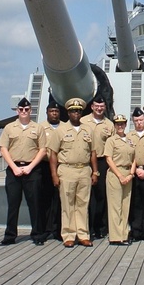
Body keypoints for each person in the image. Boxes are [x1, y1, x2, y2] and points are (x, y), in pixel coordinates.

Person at [0, 97, 47, 246]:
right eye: (21, 109)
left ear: (30, 111)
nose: (24, 112)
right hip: (14, 169)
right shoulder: (9, 128)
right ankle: (10, 235)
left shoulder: (38, 128)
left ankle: (37, 235)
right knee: (13, 204)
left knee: (35, 204)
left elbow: (43, 150)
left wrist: (30, 167)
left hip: (32, 169)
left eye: (26, 109)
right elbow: (3, 148)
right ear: (17, 111)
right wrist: (14, 167)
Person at [48, 97, 97, 247]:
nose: (76, 113)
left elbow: (93, 152)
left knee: (83, 204)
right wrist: (54, 175)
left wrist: (95, 172)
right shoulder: (61, 130)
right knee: (67, 204)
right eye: (73, 111)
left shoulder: (88, 129)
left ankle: (83, 234)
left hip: (84, 170)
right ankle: (68, 235)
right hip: (67, 170)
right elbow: (53, 154)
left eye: (78, 111)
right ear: (68, 113)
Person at [103, 114, 135, 245]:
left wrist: (131, 174)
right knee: (115, 206)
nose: (120, 126)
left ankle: (124, 233)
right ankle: (116, 237)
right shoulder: (111, 140)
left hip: (128, 173)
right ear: (114, 126)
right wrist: (120, 176)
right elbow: (108, 159)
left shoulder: (130, 140)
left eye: (122, 123)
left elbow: (134, 158)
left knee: (125, 205)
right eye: (117, 124)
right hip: (115, 174)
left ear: (126, 124)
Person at [86, 96, 114, 240]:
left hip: (103, 162)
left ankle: (101, 227)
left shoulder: (109, 124)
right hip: (86, 163)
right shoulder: (83, 121)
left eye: (101, 106)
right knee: (86, 197)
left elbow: (113, 145)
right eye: (96, 106)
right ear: (92, 106)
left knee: (101, 196)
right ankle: (87, 227)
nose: (99, 108)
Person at [37, 100, 63, 241]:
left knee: (60, 200)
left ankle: (58, 229)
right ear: (47, 112)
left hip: (62, 166)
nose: (54, 113)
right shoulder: (40, 128)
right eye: (52, 111)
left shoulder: (65, 127)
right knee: (45, 198)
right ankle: (45, 229)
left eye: (57, 111)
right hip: (45, 166)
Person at [128, 108, 144, 241]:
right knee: (135, 202)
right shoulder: (128, 136)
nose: (139, 123)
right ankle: (136, 230)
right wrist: (135, 170)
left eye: (141, 120)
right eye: (136, 120)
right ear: (133, 121)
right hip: (134, 171)